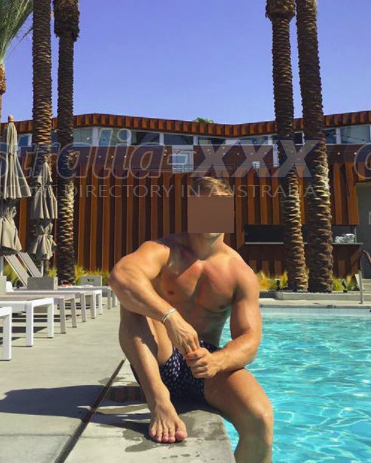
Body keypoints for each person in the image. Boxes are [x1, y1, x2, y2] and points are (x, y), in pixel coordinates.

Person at [108, 176, 273, 463]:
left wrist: (218, 361)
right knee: (133, 300)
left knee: (260, 419)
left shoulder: (240, 272)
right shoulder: (164, 251)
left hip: (204, 365)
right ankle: (159, 401)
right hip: (159, 358)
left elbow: (250, 339)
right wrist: (170, 317)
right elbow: (121, 276)